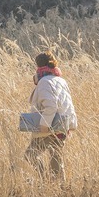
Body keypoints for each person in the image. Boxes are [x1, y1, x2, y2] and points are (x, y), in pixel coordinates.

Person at [24, 51, 78, 181]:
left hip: (49, 127)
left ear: (38, 66)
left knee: (30, 155)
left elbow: (51, 106)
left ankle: (45, 180)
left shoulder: (44, 82)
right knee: (56, 159)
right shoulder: (60, 80)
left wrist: (44, 125)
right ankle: (60, 188)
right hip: (63, 125)